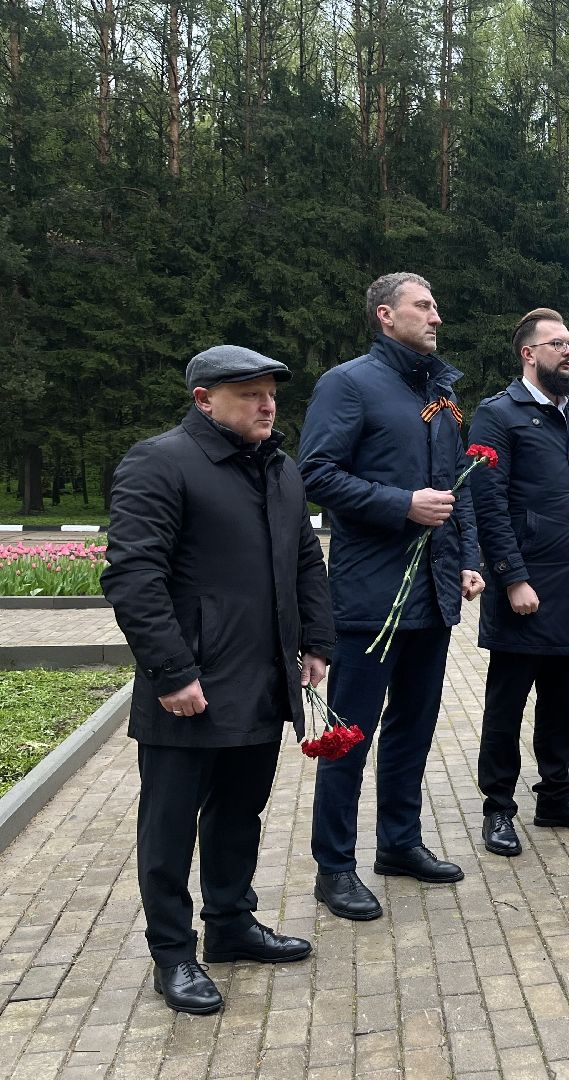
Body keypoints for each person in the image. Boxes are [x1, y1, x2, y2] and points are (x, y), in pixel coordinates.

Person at [103, 345, 335, 1015]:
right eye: (249, 394)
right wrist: (172, 671)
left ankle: (230, 925)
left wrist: (316, 641)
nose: (267, 405)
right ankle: (172, 954)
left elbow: (305, 562)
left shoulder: (280, 470)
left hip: (262, 680)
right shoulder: (161, 462)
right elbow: (133, 575)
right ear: (204, 400)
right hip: (190, 687)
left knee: (239, 813)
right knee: (170, 827)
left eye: (271, 394)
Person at [299, 272, 481, 921]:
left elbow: (455, 487)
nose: (436, 316)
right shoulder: (348, 384)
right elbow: (316, 473)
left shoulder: (441, 393)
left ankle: (399, 844)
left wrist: (468, 559)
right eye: (423, 306)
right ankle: (334, 867)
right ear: (385, 315)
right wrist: (401, 504)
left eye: (436, 306)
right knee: (350, 735)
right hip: (369, 597)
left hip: (432, 594)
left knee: (413, 728)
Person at [468, 308, 569, 858]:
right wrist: (512, 579)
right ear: (528, 354)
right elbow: (489, 505)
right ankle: (498, 808)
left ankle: (555, 795)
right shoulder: (498, 415)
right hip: (525, 591)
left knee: (562, 704)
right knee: (506, 708)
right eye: (557, 344)